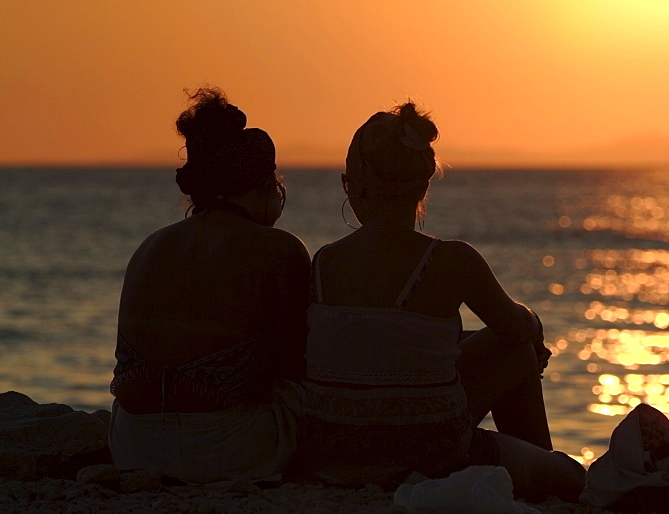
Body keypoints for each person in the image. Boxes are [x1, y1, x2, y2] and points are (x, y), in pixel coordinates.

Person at [297, 102, 585, 502]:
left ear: (355, 186)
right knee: (569, 471)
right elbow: (516, 330)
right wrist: (533, 324)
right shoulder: (451, 260)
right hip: (427, 455)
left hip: (333, 457)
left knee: (501, 345)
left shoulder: (323, 262)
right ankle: (540, 477)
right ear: (424, 186)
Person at [109, 87, 311, 483]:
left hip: (133, 445)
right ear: (264, 187)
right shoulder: (279, 248)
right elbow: (298, 365)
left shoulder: (150, 246)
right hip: (229, 449)